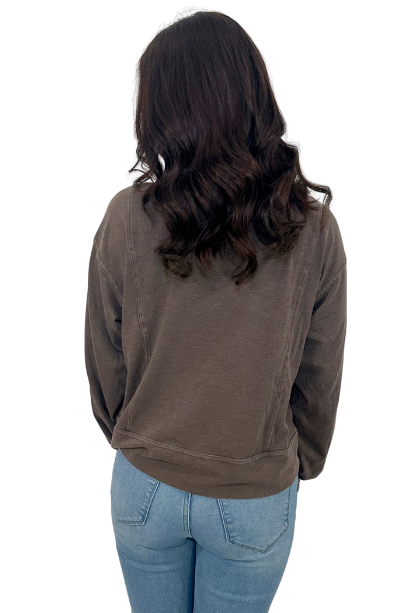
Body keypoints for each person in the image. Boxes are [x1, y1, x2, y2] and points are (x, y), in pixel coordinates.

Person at [84, 10, 347, 613]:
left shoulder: (126, 216)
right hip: (253, 491)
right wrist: (296, 463)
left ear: (160, 111)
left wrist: (134, 435)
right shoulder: (313, 229)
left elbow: (104, 351)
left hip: (144, 485)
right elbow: (320, 369)